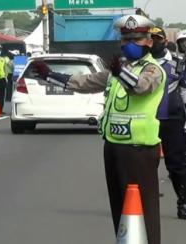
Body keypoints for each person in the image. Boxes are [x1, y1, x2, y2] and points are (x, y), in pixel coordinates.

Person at [31, 14, 165, 244]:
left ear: (149, 42)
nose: (131, 44)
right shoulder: (117, 70)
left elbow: (141, 88)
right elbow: (86, 82)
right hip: (113, 148)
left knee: (144, 212)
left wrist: (120, 73)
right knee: (121, 211)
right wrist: (50, 75)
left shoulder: (153, 70)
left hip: (139, 150)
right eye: (126, 39)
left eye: (137, 39)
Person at [150, 27, 186, 220]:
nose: (154, 42)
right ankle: (146, 203)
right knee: (145, 163)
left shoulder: (178, 63)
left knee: (177, 164)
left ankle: (183, 202)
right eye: (151, 39)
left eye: (158, 39)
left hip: (172, 120)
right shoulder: (140, 63)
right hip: (146, 121)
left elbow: (184, 92)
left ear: (164, 41)